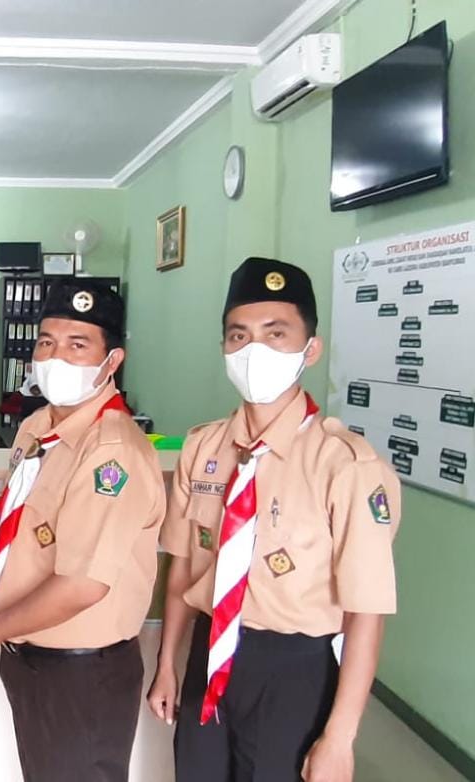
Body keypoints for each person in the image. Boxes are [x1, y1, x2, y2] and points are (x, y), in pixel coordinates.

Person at [147, 257, 401, 782]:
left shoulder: (347, 466)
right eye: (238, 335)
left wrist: (340, 738)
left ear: (311, 349)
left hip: (293, 669)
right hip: (209, 652)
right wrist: (167, 662)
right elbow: (183, 566)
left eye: (275, 333)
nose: (253, 349)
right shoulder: (203, 447)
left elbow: (366, 612)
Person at [0, 279, 165, 781]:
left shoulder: (111, 453)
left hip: (82, 673)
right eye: (46, 342)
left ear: (112, 360)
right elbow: (25, 525)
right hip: (31, 657)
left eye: (77, 345)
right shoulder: (37, 428)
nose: (56, 356)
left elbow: (84, 583)